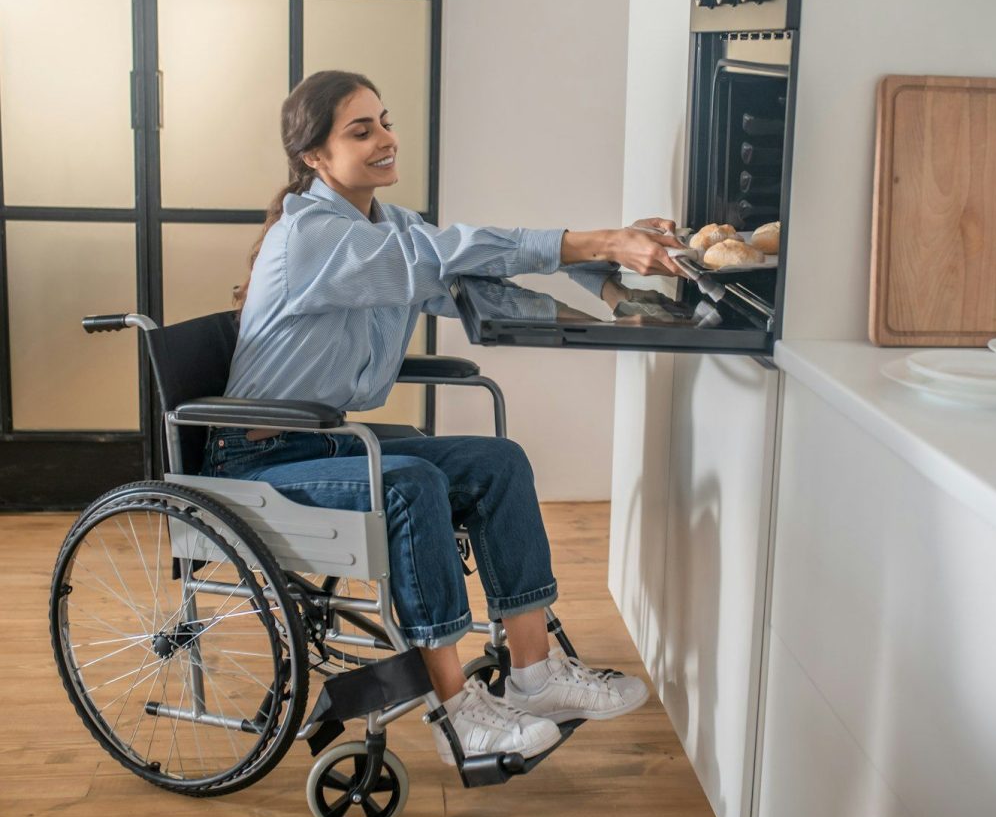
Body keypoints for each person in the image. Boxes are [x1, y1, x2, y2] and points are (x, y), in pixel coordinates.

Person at [202, 70, 689, 764]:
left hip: (325, 441)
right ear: (314, 156)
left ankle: (535, 675)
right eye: (360, 129)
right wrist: (597, 240)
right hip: (259, 458)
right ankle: (456, 712)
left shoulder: (383, 225)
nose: (385, 139)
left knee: (499, 461)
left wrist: (609, 281)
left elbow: (469, 268)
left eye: (385, 121)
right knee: (411, 484)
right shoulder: (311, 236)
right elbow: (446, 253)